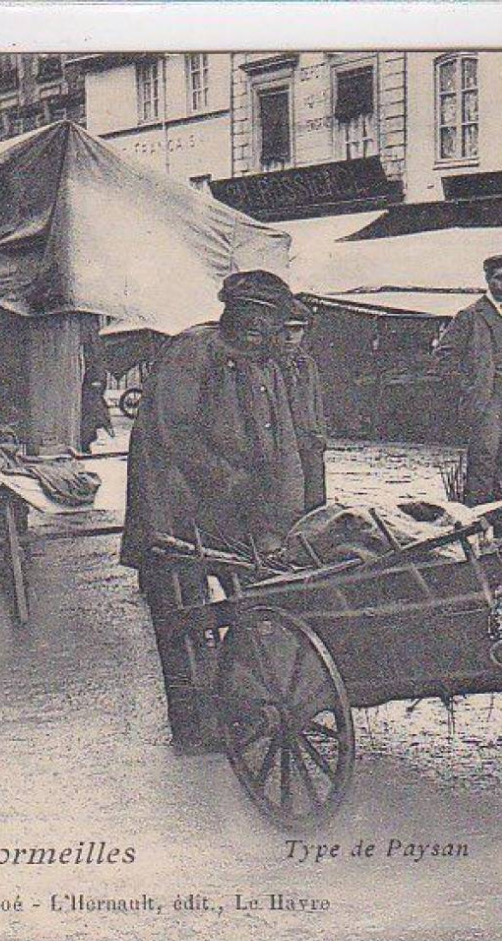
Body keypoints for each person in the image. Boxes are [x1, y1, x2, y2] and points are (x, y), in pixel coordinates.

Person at [121, 269, 310, 749]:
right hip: (176, 509)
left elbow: (283, 444)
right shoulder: (192, 351)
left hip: (238, 513)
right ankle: (193, 729)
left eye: (267, 320)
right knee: (184, 618)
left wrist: (284, 516)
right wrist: (230, 482)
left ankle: (241, 707)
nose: (256, 327)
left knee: (255, 604)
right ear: (228, 311)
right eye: (247, 315)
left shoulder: (266, 366)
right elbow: (174, 434)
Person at [433, 254, 502, 535]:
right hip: (486, 403)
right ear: (487, 279)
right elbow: (444, 357)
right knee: (483, 463)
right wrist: (469, 388)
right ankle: (474, 530)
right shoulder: (470, 316)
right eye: (499, 278)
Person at [282, 298, 329, 511]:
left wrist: (320, 436)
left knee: (315, 505)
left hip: (309, 442)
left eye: (297, 329)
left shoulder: (307, 364)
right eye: (284, 329)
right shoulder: (267, 364)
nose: (290, 337)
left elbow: (315, 403)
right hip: (282, 446)